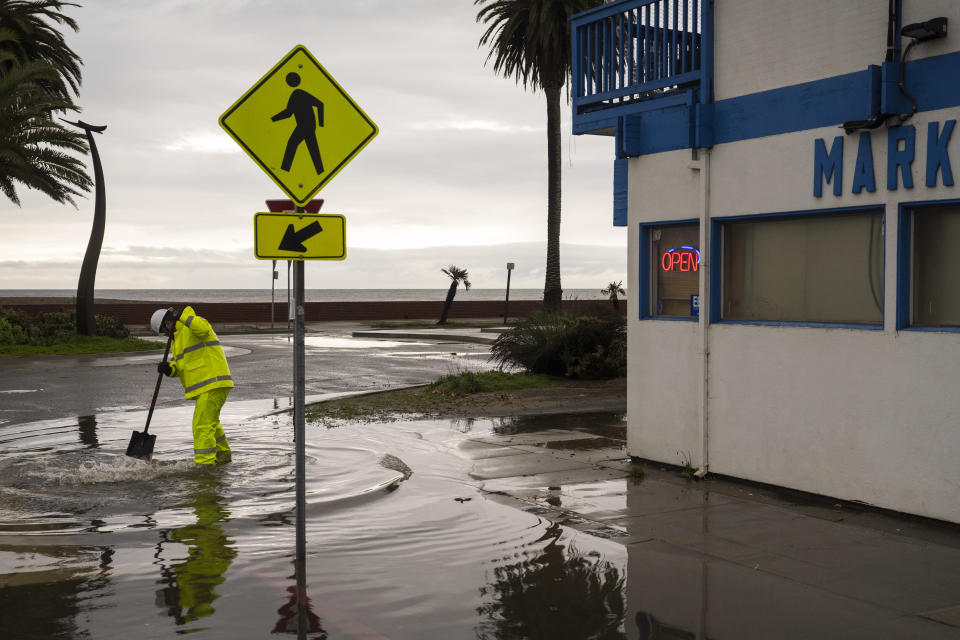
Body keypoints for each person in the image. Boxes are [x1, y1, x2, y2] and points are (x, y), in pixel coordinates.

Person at [150, 306, 233, 465]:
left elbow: (202, 329)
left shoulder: (192, 324)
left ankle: (204, 465)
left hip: (212, 382)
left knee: (201, 425)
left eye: (165, 330)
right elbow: (181, 366)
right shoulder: (177, 338)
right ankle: (223, 457)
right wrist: (169, 369)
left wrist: (180, 316)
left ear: (168, 322)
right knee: (211, 423)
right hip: (207, 385)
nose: (166, 334)